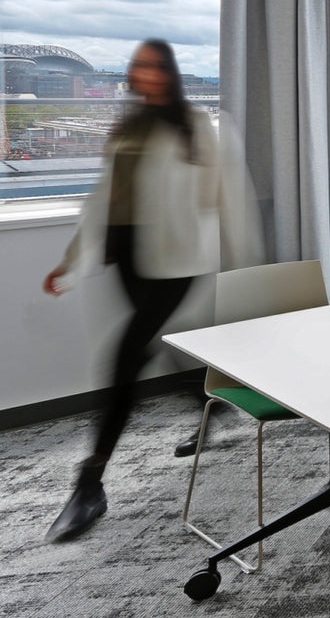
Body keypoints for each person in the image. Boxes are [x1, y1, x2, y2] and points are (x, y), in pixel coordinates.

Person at [41, 39, 261, 543]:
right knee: (153, 348)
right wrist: (71, 261)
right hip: (129, 259)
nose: (148, 75)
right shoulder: (127, 128)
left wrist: (248, 269)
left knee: (123, 359)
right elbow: (103, 199)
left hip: (178, 263)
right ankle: (208, 403)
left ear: (172, 72)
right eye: (140, 67)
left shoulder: (204, 128)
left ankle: (89, 483)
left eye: (157, 66)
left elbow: (233, 196)